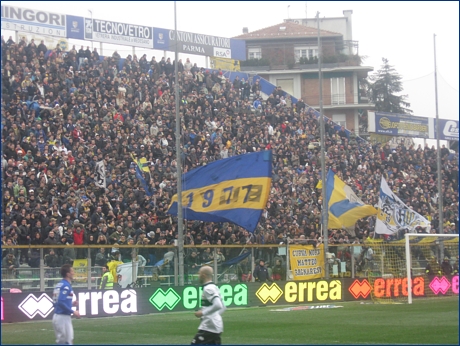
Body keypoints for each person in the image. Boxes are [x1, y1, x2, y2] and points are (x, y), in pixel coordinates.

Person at [192, 266, 226, 345]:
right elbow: (223, 306)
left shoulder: (208, 288)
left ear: (203, 275)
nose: (198, 276)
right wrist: (215, 316)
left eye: (199, 274)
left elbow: (218, 305)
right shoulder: (214, 287)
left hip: (210, 327)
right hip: (215, 326)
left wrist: (203, 313)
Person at [52, 264, 80, 345]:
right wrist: (73, 311)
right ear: (68, 274)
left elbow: (56, 302)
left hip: (58, 316)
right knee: (67, 342)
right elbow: (60, 301)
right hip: (63, 317)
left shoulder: (59, 284)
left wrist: (71, 303)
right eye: (72, 271)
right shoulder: (66, 286)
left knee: (66, 341)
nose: (74, 273)